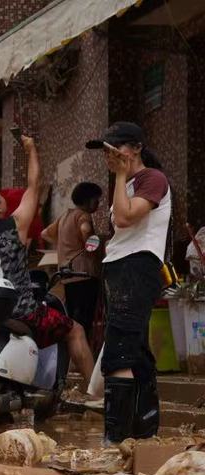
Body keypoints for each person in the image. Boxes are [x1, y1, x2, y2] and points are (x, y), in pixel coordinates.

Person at [0, 134, 96, 393]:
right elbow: (34, 185)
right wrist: (31, 148)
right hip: (24, 313)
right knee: (76, 330)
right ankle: (96, 396)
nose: (2, 197)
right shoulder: (14, 226)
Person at [87, 122, 170, 443]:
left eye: (114, 150)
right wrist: (122, 178)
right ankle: (144, 437)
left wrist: (120, 177)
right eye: (106, 153)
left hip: (138, 267)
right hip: (121, 269)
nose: (110, 158)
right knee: (136, 352)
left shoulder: (152, 179)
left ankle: (115, 442)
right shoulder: (130, 182)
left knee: (118, 353)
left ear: (135, 148)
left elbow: (124, 218)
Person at [41, 181, 105, 336]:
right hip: (84, 274)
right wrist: (93, 245)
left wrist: (64, 245)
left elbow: (45, 233)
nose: (98, 203)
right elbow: (85, 230)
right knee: (84, 321)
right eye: (96, 200)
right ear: (88, 200)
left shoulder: (65, 216)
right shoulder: (84, 216)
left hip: (67, 275)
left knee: (73, 318)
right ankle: (83, 354)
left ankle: (72, 353)